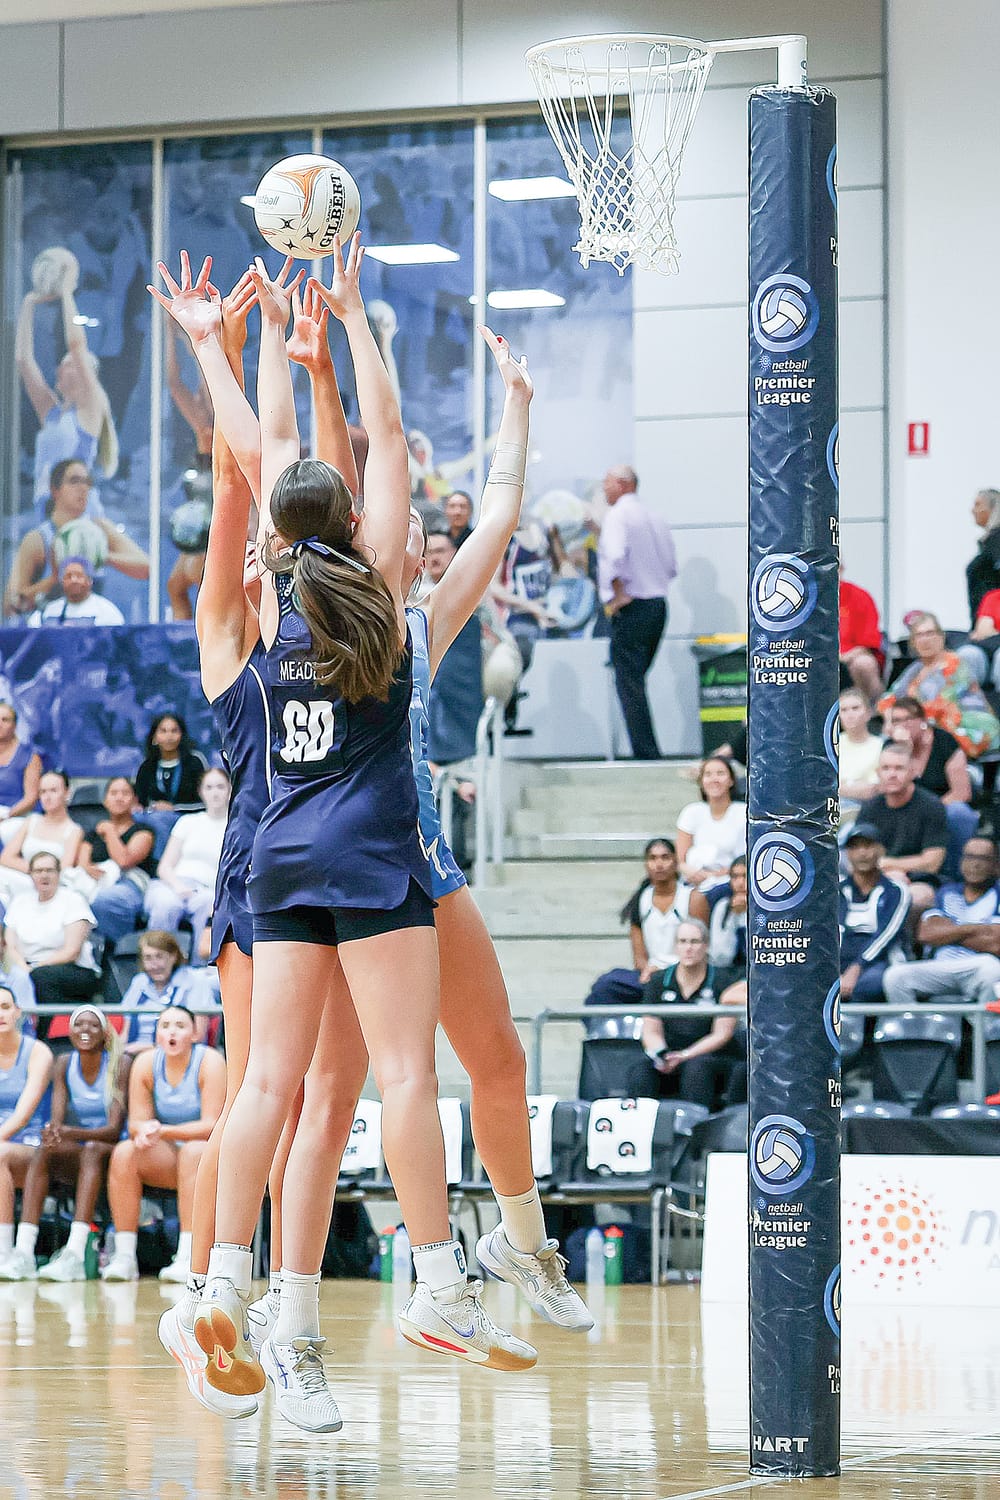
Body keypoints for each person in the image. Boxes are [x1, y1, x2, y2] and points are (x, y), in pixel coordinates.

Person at [152, 242, 532, 1427]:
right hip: (367, 851)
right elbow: (367, 454)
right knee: (395, 1082)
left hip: (267, 857)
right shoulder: (396, 623)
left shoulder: (249, 629)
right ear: (372, 533)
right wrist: (347, 332)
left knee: (269, 1088)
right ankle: (430, 1278)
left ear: (272, 545)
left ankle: (223, 1280)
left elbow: (249, 471)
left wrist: (225, 346)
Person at [399, 335, 591, 1333]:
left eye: (429, 550)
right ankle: (260, 1296)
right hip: (334, 886)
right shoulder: (293, 622)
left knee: (499, 1060)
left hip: (423, 863)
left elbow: (503, 511)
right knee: (330, 1090)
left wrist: (517, 400)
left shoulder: (419, 631)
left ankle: (519, 1246)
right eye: (410, 544)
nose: (423, 555)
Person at [0, 1005, 128, 1283]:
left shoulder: (120, 1062)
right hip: (80, 1148)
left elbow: (113, 1130)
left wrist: (66, 1132)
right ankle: (22, 1252)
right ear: (70, 1032)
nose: (85, 1031)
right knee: (44, 1149)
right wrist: (53, 1133)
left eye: (93, 1025)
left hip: (110, 1152)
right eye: (79, 1025)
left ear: (105, 1033)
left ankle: (76, 1252)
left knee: (93, 1150)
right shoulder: (64, 1063)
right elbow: (57, 1123)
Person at [101, 1005, 225, 1285]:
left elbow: (212, 1125)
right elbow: (135, 1123)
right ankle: (124, 1256)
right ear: (156, 1034)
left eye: (180, 1026)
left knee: (194, 1151)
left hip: (207, 1155)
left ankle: (188, 1257)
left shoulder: (211, 1061)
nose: (171, 1031)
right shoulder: (145, 1063)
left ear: (194, 1034)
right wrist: (146, 1130)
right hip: (170, 1154)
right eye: (165, 1025)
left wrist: (163, 1130)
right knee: (124, 1153)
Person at [15, 262, 118, 508]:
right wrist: (29, 303)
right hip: (49, 510)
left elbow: (76, 345)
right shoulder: (53, 414)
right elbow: (23, 360)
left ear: (87, 376)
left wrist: (66, 294)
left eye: (71, 364)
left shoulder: (92, 408)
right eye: (63, 363)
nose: (63, 367)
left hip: (79, 514)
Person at [596, 465, 677, 760]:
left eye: (606, 481)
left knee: (629, 684)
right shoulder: (654, 516)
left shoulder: (618, 515)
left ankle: (646, 753)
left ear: (622, 484)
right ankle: (648, 750)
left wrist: (617, 595)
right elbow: (670, 566)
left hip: (632, 606)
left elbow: (615, 557)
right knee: (636, 681)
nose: (603, 488)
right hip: (657, 605)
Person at [4, 459, 149, 619]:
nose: (83, 488)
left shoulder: (99, 530)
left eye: (87, 482)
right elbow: (10, 605)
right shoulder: (39, 539)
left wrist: (104, 557)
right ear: (55, 490)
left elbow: (147, 568)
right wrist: (56, 579)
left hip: (97, 627)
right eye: (74, 481)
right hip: (53, 629)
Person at [882, 836, 1000, 1007]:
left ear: (996, 865)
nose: (975, 864)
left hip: (978, 967)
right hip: (940, 966)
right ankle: (914, 1030)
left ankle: (984, 1032)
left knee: (993, 970)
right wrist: (980, 930)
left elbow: (996, 942)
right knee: (895, 977)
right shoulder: (947, 892)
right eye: (969, 857)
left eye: (983, 858)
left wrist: (949, 930)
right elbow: (926, 933)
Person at [634, 920, 741, 1109]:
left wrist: (685, 1055)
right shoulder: (658, 981)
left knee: (696, 1069)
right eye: (682, 942)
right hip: (670, 1055)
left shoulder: (724, 980)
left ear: (706, 945)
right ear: (675, 946)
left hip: (710, 1056)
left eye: (695, 941)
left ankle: (695, 1132)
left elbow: (722, 1034)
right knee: (641, 1069)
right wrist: (662, 1054)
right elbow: (651, 1031)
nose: (688, 948)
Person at [584, 839, 702, 1009]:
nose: (659, 864)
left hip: (684, 975)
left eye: (665, 857)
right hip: (652, 975)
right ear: (646, 864)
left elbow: (702, 946)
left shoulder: (692, 898)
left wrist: (670, 972)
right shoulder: (641, 899)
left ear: (675, 861)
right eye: (652, 858)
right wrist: (647, 970)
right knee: (604, 986)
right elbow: (639, 956)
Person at [3, 853, 103, 1041]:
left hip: (73, 971)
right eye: (38, 871)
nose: (44, 875)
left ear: (59, 874)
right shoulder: (20, 902)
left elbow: (71, 951)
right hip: (27, 968)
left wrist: (34, 968)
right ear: (31, 874)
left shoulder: (72, 900)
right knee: (19, 979)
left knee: (40, 978)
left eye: (49, 870)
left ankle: (42, 1039)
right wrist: (24, 969)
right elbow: (10, 945)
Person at [878, 612, 1000, 761]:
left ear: (941, 637)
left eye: (930, 633)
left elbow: (939, 706)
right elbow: (888, 699)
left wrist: (902, 721)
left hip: (968, 730)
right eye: (919, 635)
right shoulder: (915, 669)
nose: (925, 640)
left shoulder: (955, 664)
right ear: (913, 642)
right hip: (926, 729)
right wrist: (891, 718)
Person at [142, 767, 230, 959]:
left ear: (230, 790)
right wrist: (178, 886)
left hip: (210, 891)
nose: (215, 792)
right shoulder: (188, 822)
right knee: (166, 904)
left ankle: (201, 973)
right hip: (174, 884)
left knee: (211, 907)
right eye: (209, 787)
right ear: (201, 792)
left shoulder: (235, 827)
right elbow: (164, 866)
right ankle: (158, 966)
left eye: (220, 787)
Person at [887, 696, 978, 879]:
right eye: (896, 720)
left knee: (959, 813)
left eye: (907, 719)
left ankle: (956, 877)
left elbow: (962, 793)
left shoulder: (944, 742)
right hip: (904, 807)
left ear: (922, 721)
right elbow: (890, 787)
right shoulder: (891, 746)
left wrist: (929, 811)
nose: (902, 725)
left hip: (944, 806)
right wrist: (905, 749)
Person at [863, 741, 947, 924]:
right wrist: (887, 873)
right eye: (886, 768)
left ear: (913, 771)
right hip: (877, 875)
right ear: (878, 772)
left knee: (913, 898)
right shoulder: (870, 807)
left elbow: (932, 862)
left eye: (899, 768)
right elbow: (859, 854)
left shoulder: (931, 806)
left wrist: (892, 866)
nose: (891, 774)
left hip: (919, 880)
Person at [0, 987, 53, 1278]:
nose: (0, 1014)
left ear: (18, 1012)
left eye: (6, 1007)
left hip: (31, 1146)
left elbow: (22, 1116)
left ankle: (6, 1253)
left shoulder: (38, 1052)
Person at [78, 777, 156, 947]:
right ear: (105, 800)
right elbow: (82, 862)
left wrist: (109, 831)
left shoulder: (143, 831)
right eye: (113, 793)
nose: (119, 798)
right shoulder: (92, 833)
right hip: (96, 881)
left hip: (130, 883)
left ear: (134, 800)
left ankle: (122, 948)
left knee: (106, 900)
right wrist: (88, 868)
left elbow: (124, 860)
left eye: (125, 793)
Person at [839, 824, 911, 1003]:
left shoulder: (897, 891)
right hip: (839, 961)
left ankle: (859, 1032)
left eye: (868, 845)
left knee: (867, 985)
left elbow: (886, 935)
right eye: (855, 847)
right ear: (847, 853)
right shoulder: (836, 891)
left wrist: (857, 967)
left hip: (881, 961)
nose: (862, 853)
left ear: (881, 850)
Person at [119, 930, 215, 1052]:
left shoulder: (195, 981)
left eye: (159, 957)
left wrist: (146, 1049)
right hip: (133, 1051)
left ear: (173, 956)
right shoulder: (139, 982)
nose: (154, 965)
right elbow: (125, 1034)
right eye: (148, 958)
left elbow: (198, 1036)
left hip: (177, 1051)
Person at [0, 772, 85, 906]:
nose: (47, 797)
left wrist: (40, 872)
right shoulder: (31, 821)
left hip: (51, 886)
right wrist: (36, 869)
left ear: (67, 793)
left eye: (53, 790)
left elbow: (63, 867)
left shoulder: (74, 830)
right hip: (23, 877)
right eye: (43, 792)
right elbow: (5, 857)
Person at [132, 712, 208, 856]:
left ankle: (161, 866)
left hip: (189, 818)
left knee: (161, 819)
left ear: (182, 735)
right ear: (155, 737)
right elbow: (141, 802)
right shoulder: (147, 766)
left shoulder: (195, 761)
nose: (169, 736)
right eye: (163, 731)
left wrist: (173, 808)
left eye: (174, 731)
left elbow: (207, 803)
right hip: (153, 818)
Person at [675, 756, 747, 888]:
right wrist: (695, 874)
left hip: (730, 882)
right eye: (708, 774)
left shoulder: (743, 813)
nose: (714, 779)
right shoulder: (691, 812)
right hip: (693, 880)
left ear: (731, 780)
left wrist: (714, 876)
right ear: (701, 782)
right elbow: (680, 862)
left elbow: (744, 860)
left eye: (720, 774)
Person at [29, 556, 124, 627]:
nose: (73, 580)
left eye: (79, 576)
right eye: (68, 576)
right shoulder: (48, 611)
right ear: (62, 582)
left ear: (89, 581)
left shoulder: (106, 611)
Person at [839, 570, 884, 702]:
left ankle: (869, 711)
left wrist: (844, 656)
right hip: (818, 656)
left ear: (841, 569)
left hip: (852, 655)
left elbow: (869, 641)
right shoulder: (808, 597)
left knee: (865, 664)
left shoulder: (859, 596)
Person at [838, 687, 883, 819]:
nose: (850, 714)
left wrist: (839, 786)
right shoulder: (831, 745)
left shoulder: (880, 746)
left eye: (855, 708)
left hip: (865, 810)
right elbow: (822, 786)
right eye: (844, 710)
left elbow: (872, 790)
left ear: (868, 713)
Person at [0, 702, 43, 837]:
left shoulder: (29, 755)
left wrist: (6, 815)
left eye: (5, 720)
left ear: (15, 725)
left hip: (16, 817)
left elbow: (31, 798)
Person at [703, 856, 748, 978]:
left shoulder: (766, 910)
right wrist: (732, 916)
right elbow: (720, 956)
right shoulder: (723, 906)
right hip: (728, 973)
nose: (740, 883)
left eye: (745, 876)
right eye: (735, 877)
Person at [966, 488, 1000, 625]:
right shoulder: (989, 542)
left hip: (993, 627)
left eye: (978, 504)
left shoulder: (997, 540)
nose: (973, 510)